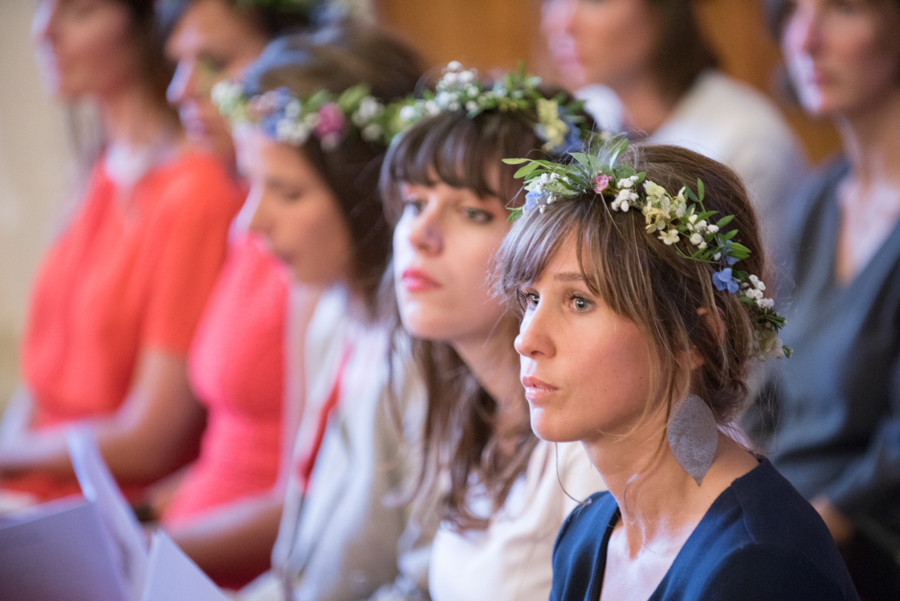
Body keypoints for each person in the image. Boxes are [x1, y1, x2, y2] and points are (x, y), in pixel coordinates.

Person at [495, 138, 859, 600]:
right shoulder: (586, 533)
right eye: (531, 298)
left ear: (695, 337)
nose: (526, 339)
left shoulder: (758, 566)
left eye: (580, 301)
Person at [212, 26, 433, 601]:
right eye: (251, 183)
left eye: (287, 193)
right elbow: (301, 563)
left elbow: (425, 582)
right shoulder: (333, 315)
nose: (250, 224)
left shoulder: (424, 356)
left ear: (370, 195)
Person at [381, 63, 606, 601]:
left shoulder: (587, 450)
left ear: (545, 245)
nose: (421, 234)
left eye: (472, 213)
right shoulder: (467, 403)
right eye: (415, 203)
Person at [0, 0, 240, 503]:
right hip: (30, 483)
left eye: (79, 12)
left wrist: (10, 457)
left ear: (143, 26)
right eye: (43, 9)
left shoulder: (196, 194)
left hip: (105, 499)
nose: (44, 33)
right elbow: (39, 386)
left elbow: (150, 438)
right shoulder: (98, 172)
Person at [152, 0, 318, 587]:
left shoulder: (310, 249)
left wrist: (147, 550)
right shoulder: (248, 224)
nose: (180, 90)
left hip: (239, 573)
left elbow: (298, 503)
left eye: (215, 62)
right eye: (178, 64)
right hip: (186, 537)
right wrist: (137, 515)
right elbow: (224, 456)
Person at [746, 1, 900, 597]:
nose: (806, 39)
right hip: (792, 511)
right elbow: (772, 388)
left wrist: (804, 529)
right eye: (793, 11)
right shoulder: (820, 196)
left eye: (842, 7)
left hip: (868, 541)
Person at [540, 0, 806, 261]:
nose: (560, 23)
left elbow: (748, 283)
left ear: (665, 10)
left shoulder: (745, 142)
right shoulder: (585, 114)